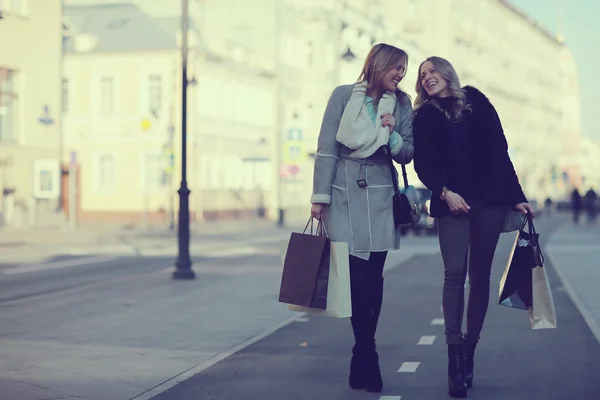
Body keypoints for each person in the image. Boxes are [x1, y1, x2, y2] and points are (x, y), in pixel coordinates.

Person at [412, 56, 534, 398]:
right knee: (454, 274)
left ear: (447, 73)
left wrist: (517, 196)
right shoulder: (423, 116)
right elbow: (423, 163)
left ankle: (469, 351)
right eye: (422, 75)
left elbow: (500, 152)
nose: (427, 78)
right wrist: (445, 192)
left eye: (432, 71)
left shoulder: (477, 101)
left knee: (480, 277)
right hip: (450, 202)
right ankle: (453, 357)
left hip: (489, 202)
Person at [310, 43, 414, 393]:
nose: (401, 74)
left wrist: (394, 135)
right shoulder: (342, 96)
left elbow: (408, 152)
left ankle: (362, 351)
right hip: (343, 193)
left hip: (382, 190)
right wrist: (319, 197)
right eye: (396, 67)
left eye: (404, 69)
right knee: (356, 278)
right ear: (378, 64)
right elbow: (327, 147)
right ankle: (367, 352)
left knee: (374, 276)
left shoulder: (401, 103)